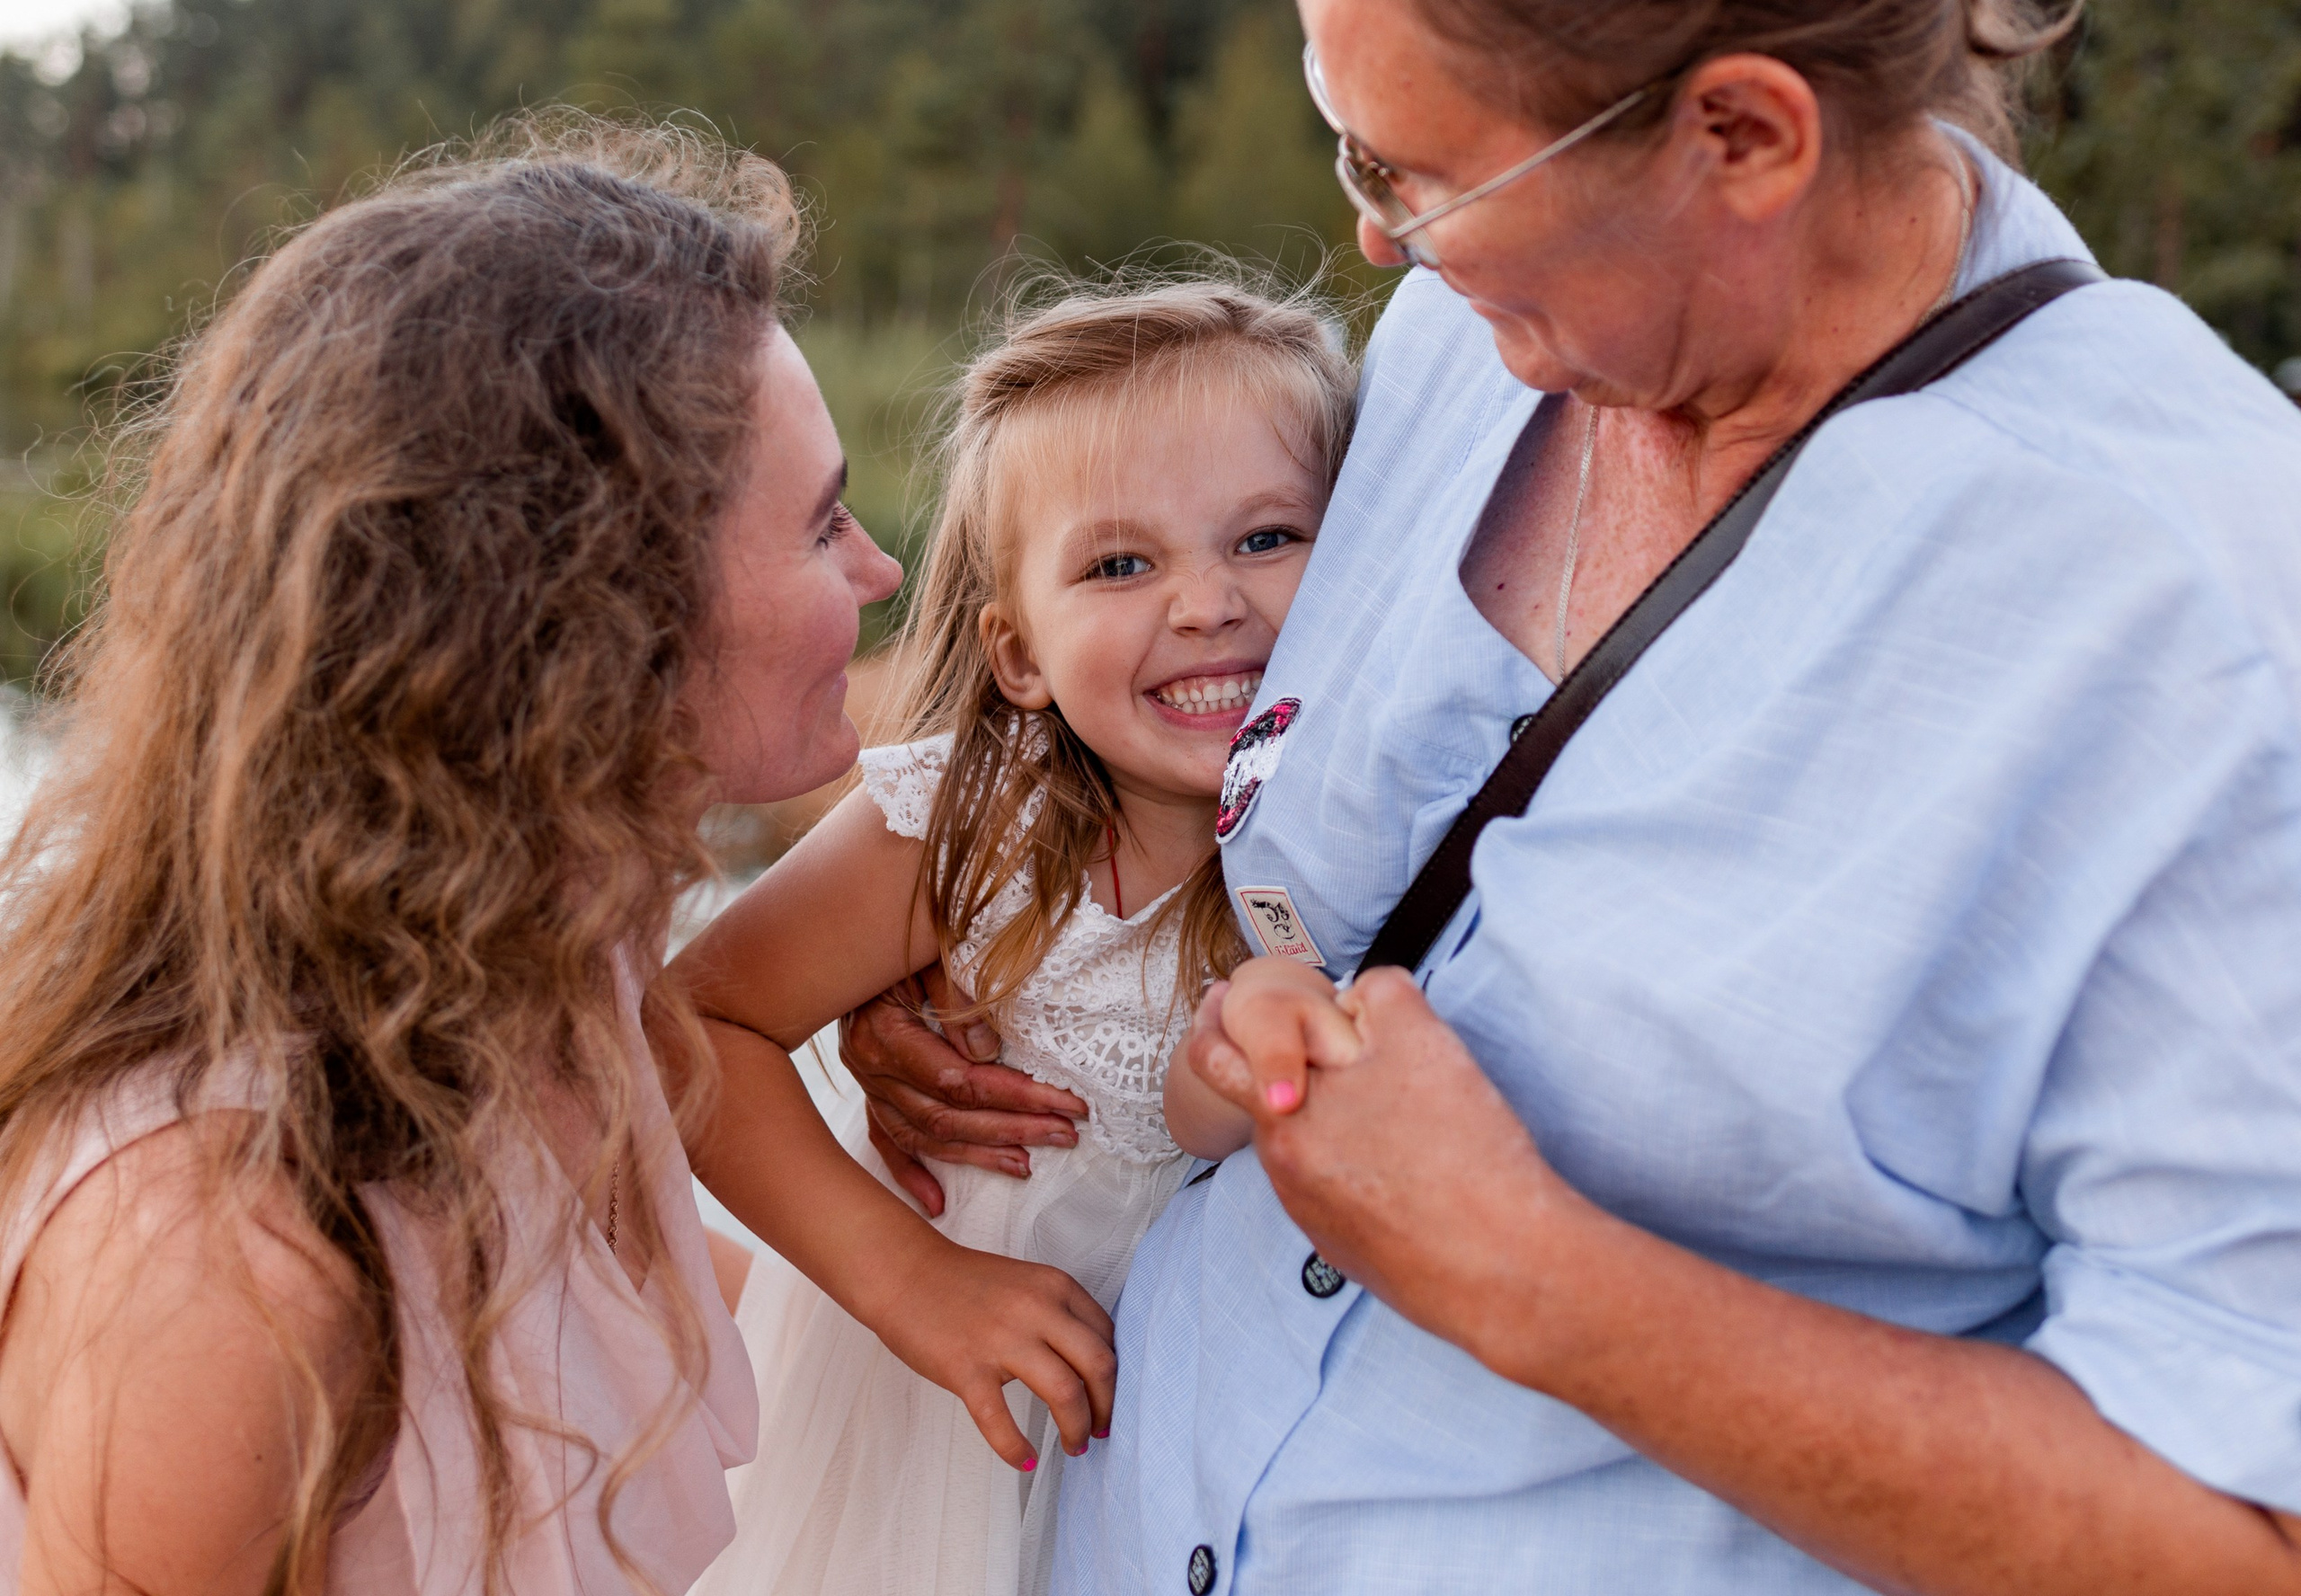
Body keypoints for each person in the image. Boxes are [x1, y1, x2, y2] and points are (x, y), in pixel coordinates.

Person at [843, 2, 2301, 1592]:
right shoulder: (1471, 345)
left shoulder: (2204, 617)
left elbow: (2242, 1535)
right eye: (1353, 144)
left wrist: (1542, 1285)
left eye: (1414, 171)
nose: (1375, 237)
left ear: (1741, 136)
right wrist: (993, 976)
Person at [0, 116, 902, 1594]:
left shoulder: (551, 973)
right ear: (598, 625)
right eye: (822, 526)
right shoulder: (229, 1254)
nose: (880, 570)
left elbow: (632, 1344)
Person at [671, 279, 1356, 1596]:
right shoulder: (973, 828)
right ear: (1018, 653)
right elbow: (693, 1019)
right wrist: (914, 1283)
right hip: (939, 1422)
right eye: (1119, 564)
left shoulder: (1359, 847)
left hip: (1191, 1439)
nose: (1209, 602)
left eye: (1268, 537)